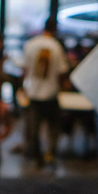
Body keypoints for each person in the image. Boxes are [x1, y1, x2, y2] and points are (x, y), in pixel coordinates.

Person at [22, 18, 69, 165]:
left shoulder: (31, 44)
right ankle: (50, 153)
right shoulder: (56, 47)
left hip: (34, 92)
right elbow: (62, 71)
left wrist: (23, 87)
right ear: (55, 30)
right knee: (53, 126)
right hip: (50, 93)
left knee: (33, 128)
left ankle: (36, 156)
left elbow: (24, 69)